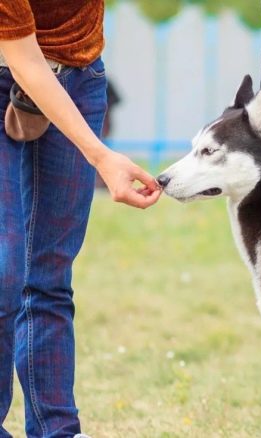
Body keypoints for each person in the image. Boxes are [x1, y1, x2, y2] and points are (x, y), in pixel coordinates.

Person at [0, 2, 162, 437]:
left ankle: (58, 431)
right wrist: (102, 156)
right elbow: (25, 60)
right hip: (13, 66)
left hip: (78, 75)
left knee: (50, 273)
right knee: (4, 270)